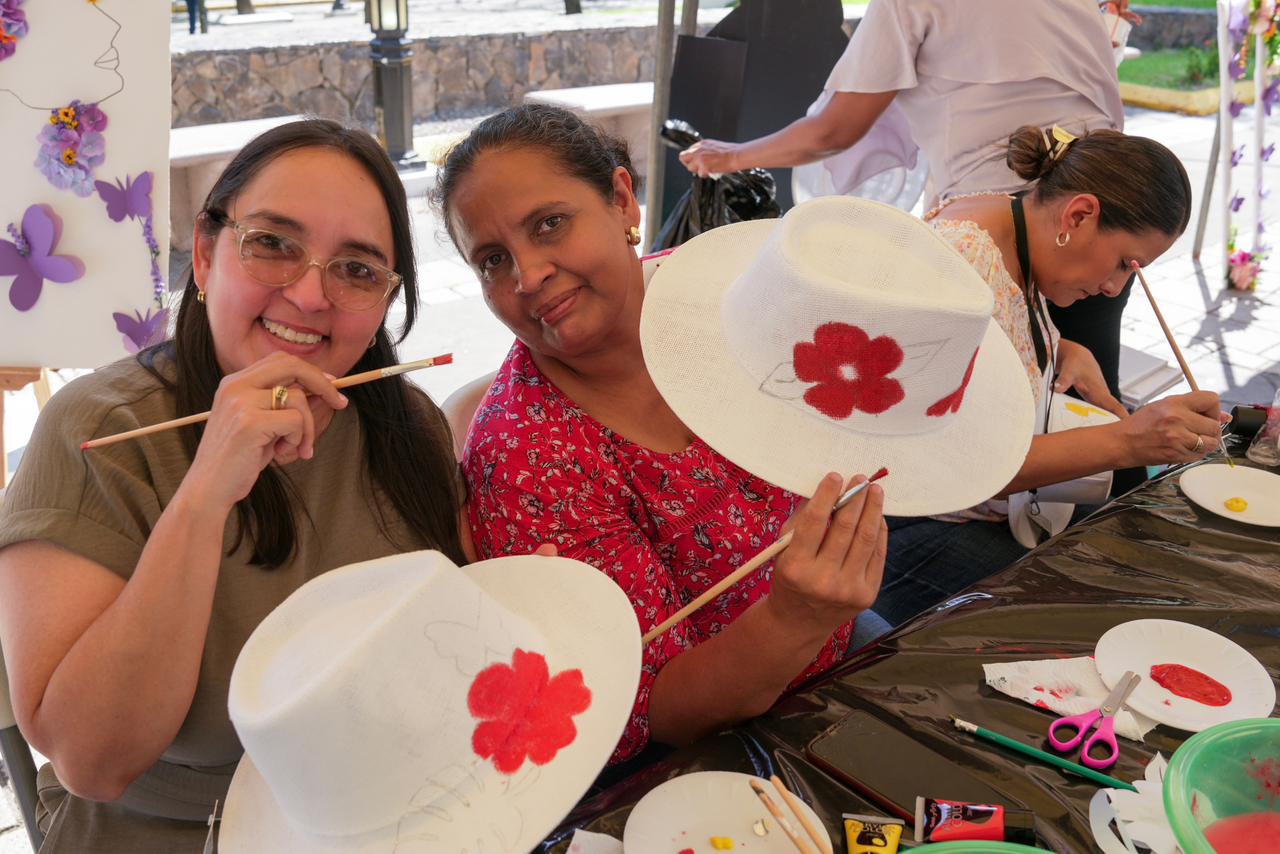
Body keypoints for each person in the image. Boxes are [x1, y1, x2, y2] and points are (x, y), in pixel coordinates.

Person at [0, 119, 468, 851]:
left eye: (357, 268)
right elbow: (93, 761)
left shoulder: (405, 425)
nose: (311, 296)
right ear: (208, 253)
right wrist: (207, 490)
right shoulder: (99, 430)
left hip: (377, 818)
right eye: (274, 244)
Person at [431, 104, 890, 766]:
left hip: (842, 632)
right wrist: (793, 619)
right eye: (492, 260)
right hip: (721, 748)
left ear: (622, 202)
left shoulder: (723, 292)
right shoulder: (528, 460)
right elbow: (657, 709)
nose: (527, 278)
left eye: (550, 224)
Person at [678, 0, 1137, 405]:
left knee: (1012, 426)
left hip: (1017, 243)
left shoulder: (974, 254)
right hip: (1105, 222)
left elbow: (834, 131)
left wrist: (729, 156)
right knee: (1094, 417)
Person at [875, 125, 1225, 625]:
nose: (1114, 288)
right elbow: (958, 466)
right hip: (913, 526)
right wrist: (1126, 442)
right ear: (1079, 215)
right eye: (1126, 265)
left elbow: (994, 336)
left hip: (991, 509)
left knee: (1137, 557)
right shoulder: (966, 263)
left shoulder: (1012, 221)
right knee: (1104, 605)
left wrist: (1063, 348)